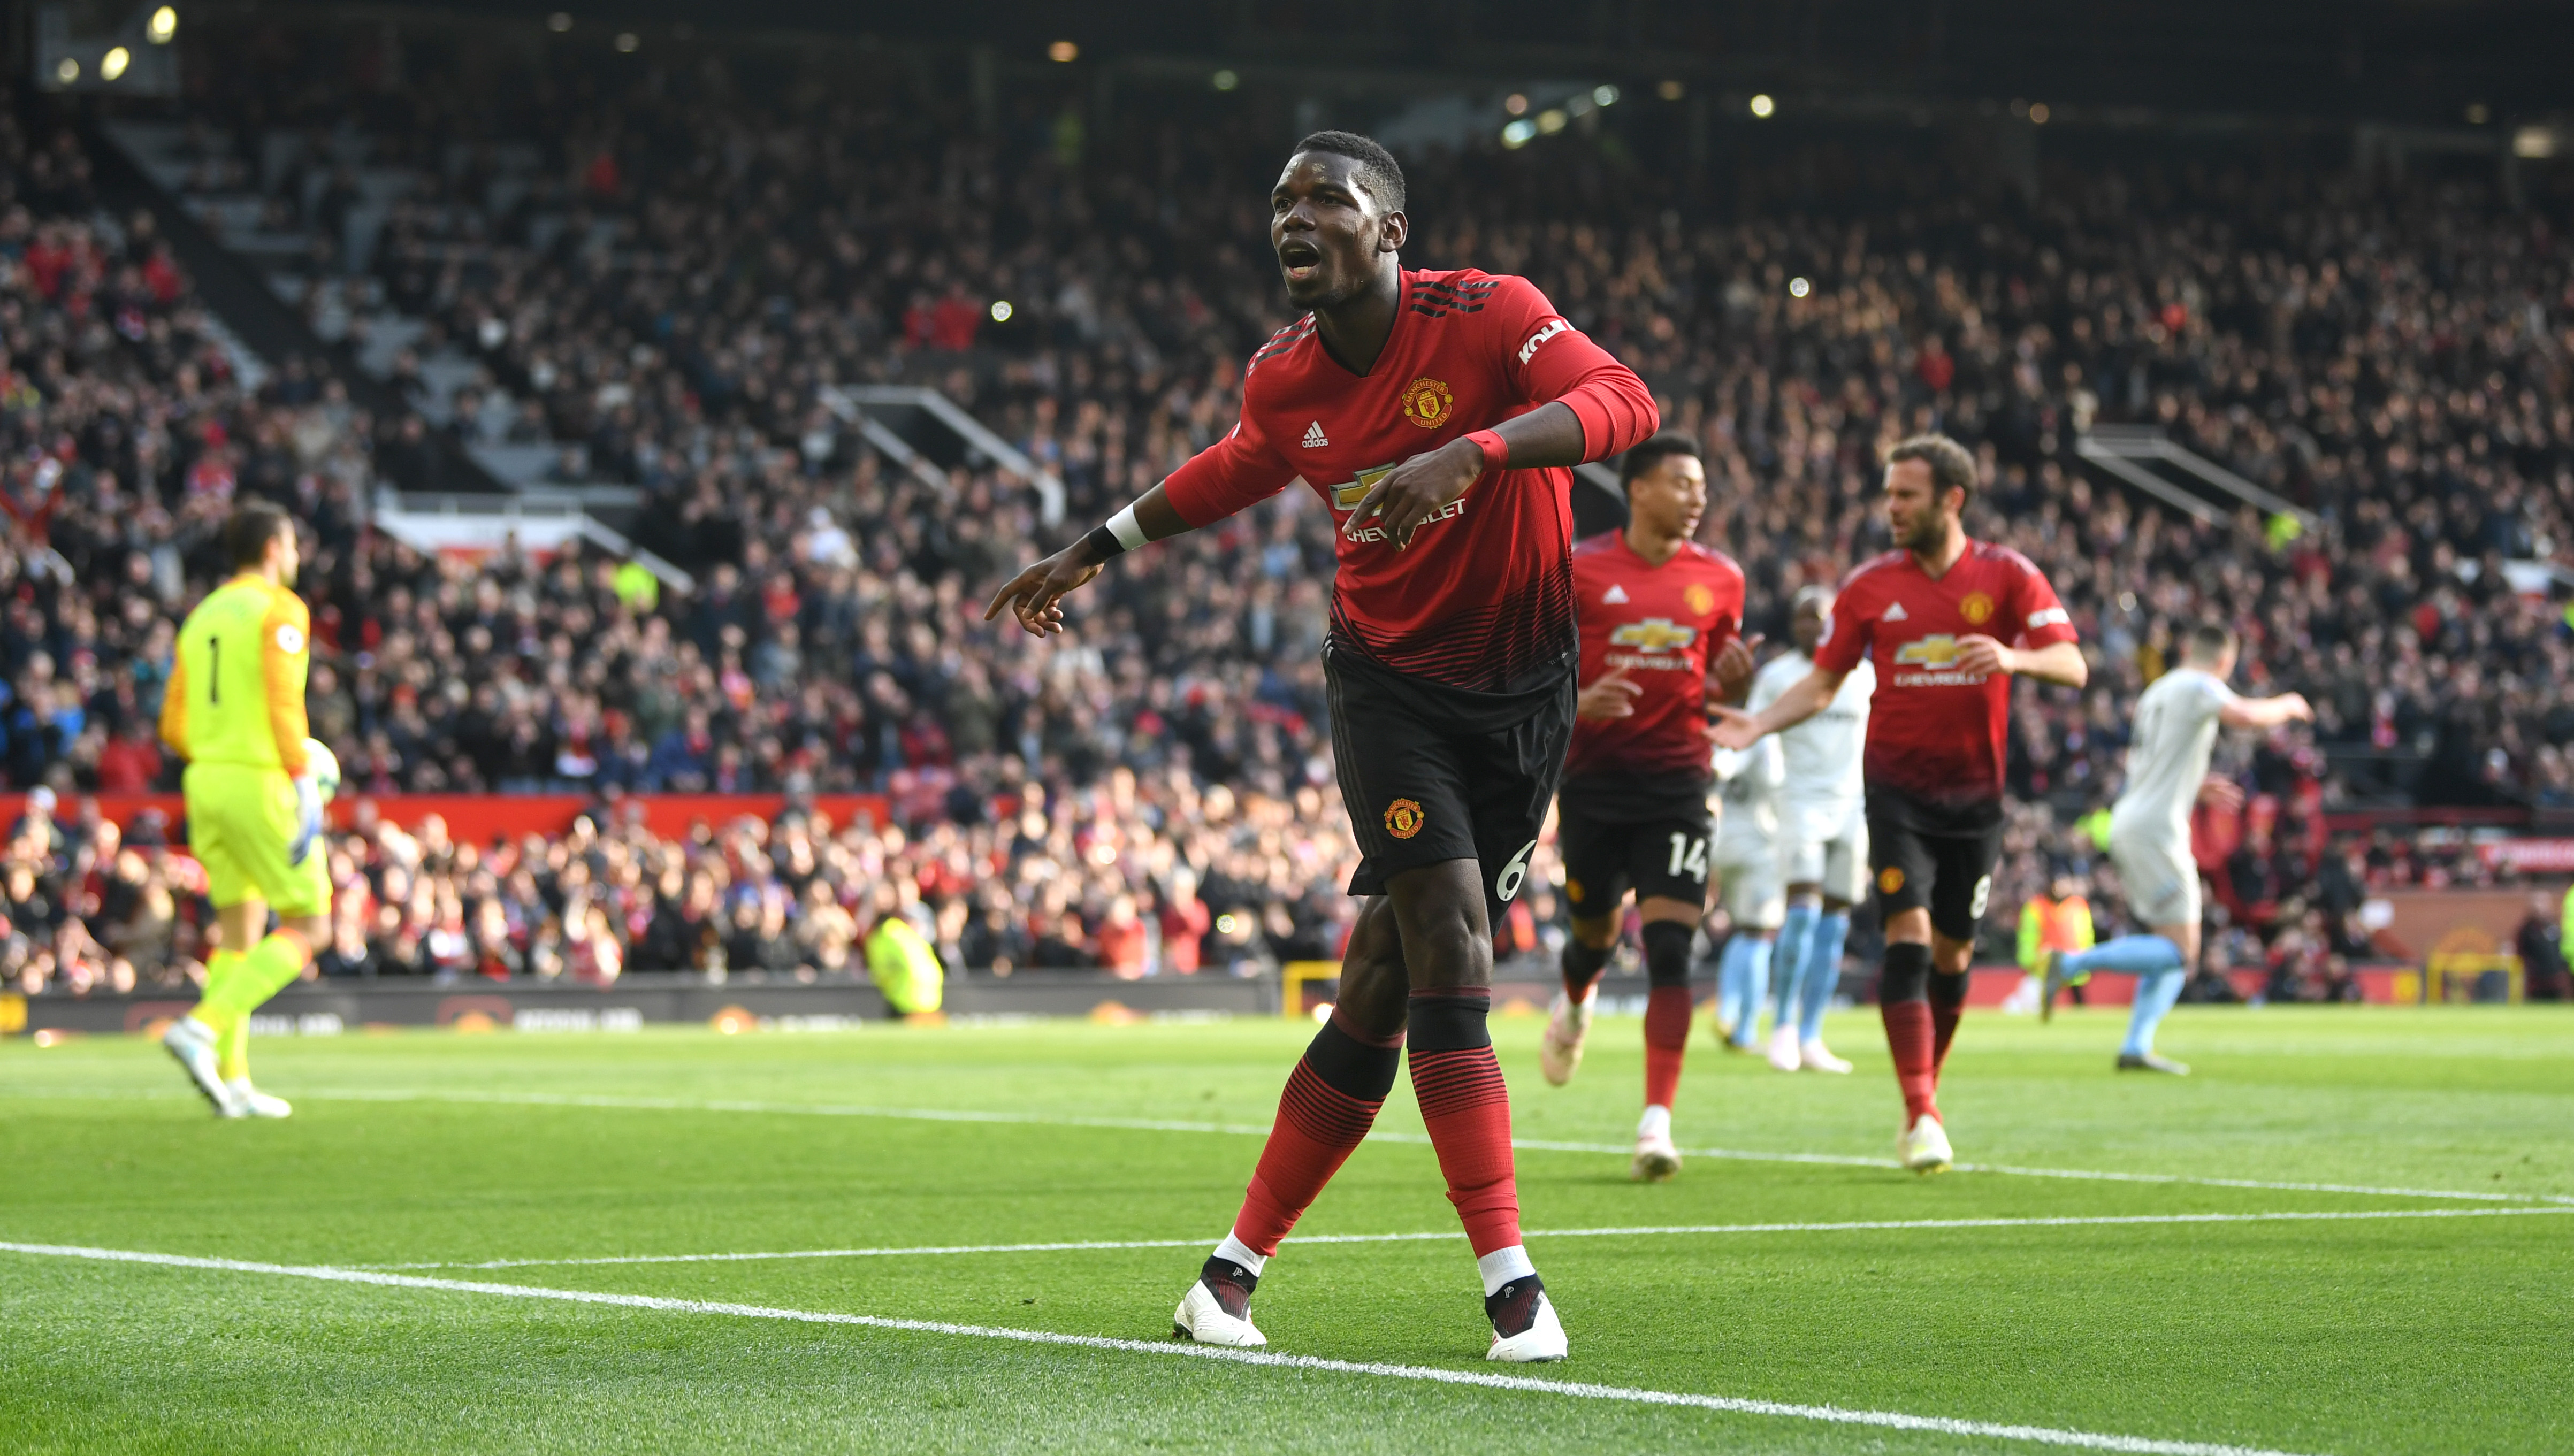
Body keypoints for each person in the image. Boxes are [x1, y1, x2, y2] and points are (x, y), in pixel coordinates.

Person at [985, 131, 1655, 1361]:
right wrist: (1095, 545)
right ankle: (1511, 1285)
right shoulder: (1285, 378)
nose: (1294, 220)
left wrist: (1477, 447)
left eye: (1324, 200)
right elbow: (1241, 465)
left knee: (1381, 985)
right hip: (1388, 689)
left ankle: (1226, 1279)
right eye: (1280, 204)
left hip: (1524, 695)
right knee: (1451, 933)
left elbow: (1627, 402)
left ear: (1389, 228)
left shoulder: (1492, 314)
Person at [1714, 435, 2086, 1174]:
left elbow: (2071, 663)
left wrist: (2013, 657)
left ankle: (1924, 1091)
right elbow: (1821, 683)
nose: (1890, 507)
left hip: (1974, 801)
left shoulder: (2006, 575)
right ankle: (1920, 1109)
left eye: (1905, 495)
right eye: (1887, 494)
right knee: (1908, 941)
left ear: (1951, 498)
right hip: (1894, 795)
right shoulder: (1867, 586)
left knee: (1952, 955)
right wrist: (1755, 722)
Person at [1534, 431, 1751, 1182]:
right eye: (1682, 484)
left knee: (1668, 951)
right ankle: (1575, 995)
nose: (1696, 498)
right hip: (1593, 785)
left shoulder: (1721, 578)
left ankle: (1655, 1122)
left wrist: (1739, 689)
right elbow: (1533, 662)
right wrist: (1577, 699)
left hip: (1678, 786)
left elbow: (1722, 690)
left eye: (1700, 487)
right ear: (1638, 489)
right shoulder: (1580, 567)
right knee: (1590, 935)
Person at [2043, 622, 2312, 1071]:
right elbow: (2244, 716)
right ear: (2224, 661)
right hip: (2155, 829)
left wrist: (2192, 783)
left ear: (2186, 647)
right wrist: (2287, 705)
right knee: (2181, 951)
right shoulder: (2199, 685)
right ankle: (2070, 965)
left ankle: (2135, 1046)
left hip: (2133, 817)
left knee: (2168, 946)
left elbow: (2153, 763)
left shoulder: (2157, 691)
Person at [154, 502, 329, 1120]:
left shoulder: (199, 616)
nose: (299, 558)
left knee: (239, 931)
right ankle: (202, 1027)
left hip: (205, 781)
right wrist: (301, 774)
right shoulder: (280, 609)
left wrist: (216, 747)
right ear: (276, 548)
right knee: (311, 926)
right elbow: (285, 700)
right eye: (295, 546)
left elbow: (172, 723)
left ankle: (234, 1080)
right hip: (260, 780)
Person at [1752, 586, 1873, 1073]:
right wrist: (1772, 786)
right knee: (1800, 914)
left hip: (1851, 809)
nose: (1814, 627)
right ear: (1793, 624)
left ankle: (1811, 1035)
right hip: (1799, 804)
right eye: (1805, 618)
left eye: (1822, 619)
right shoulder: (1778, 676)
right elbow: (1757, 734)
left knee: (1835, 922)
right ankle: (1781, 1027)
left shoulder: (1862, 674)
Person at [1708, 732, 1785, 1055]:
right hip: (1758, 846)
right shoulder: (1767, 738)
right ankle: (1743, 1029)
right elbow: (1776, 781)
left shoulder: (1728, 736)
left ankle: (1727, 1011)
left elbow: (1715, 771)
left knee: (1744, 930)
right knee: (1761, 933)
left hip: (1725, 843)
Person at [2011, 871, 2094, 1015]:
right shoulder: (2036, 906)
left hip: (2072, 957)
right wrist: (2028, 960)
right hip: (2045, 960)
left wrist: (2087, 956)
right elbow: (2028, 936)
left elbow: (2086, 933)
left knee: (2077, 996)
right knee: (2041, 995)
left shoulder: (2078, 905)